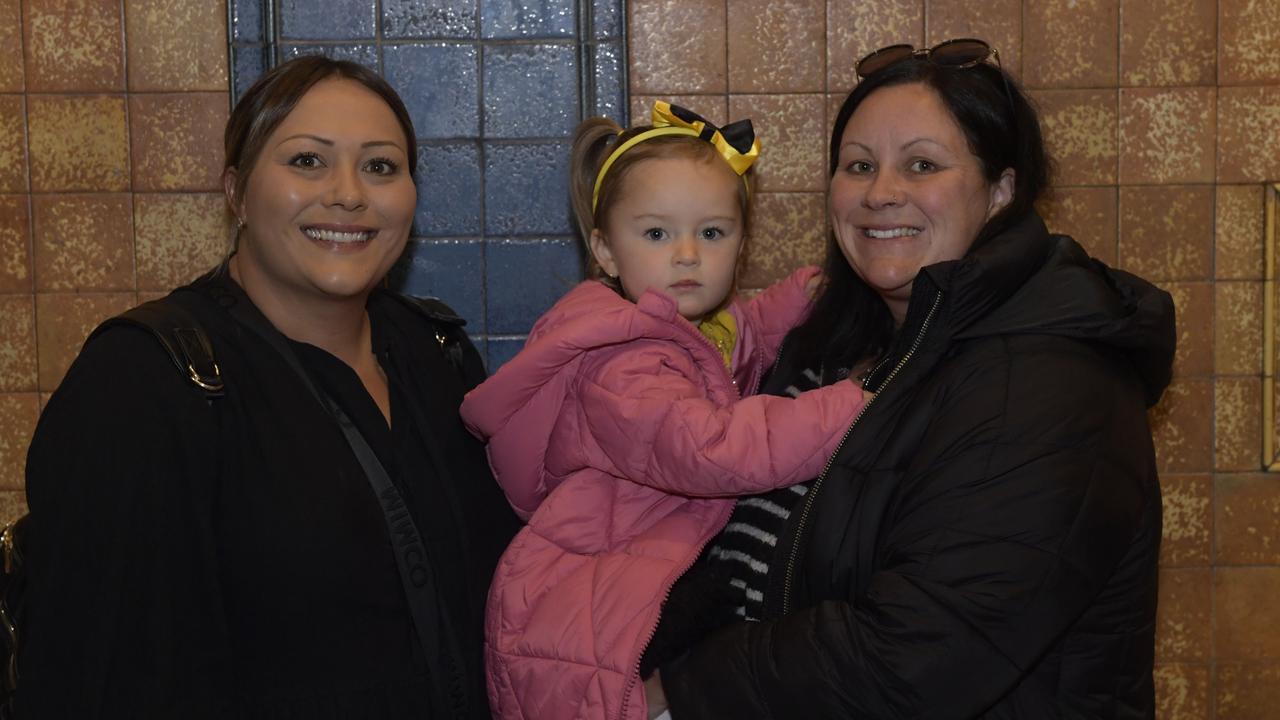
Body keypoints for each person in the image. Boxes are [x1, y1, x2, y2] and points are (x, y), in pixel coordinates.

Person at [648, 38, 1175, 718]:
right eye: (858, 165)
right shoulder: (836, 347)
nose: (880, 194)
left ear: (1000, 192)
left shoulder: (1055, 383)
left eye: (921, 164)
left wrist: (679, 690)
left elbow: (917, 656)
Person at [18, 55, 517, 718]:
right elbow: (94, 672)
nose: (348, 193)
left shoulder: (436, 355)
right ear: (235, 191)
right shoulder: (145, 382)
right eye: (307, 161)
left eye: (380, 166)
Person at [458, 102, 870, 720]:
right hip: (599, 600)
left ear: (741, 242)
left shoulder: (694, 327)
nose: (686, 255)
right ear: (603, 249)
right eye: (656, 234)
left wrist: (801, 298)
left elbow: (738, 340)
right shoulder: (620, 361)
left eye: (712, 232)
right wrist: (853, 405)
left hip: (646, 563)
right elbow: (711, 448)